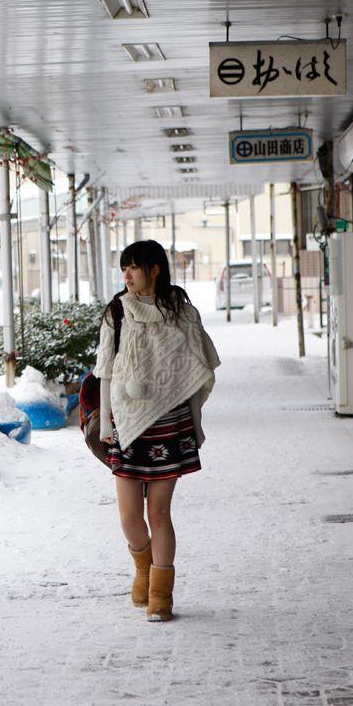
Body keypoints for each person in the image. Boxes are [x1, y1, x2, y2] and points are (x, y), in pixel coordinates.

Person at [84, 239, 220, 622]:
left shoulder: (182, 314)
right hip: (127, 425)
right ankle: (143, 568)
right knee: (129, 517)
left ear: (154, 269)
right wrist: (107, 421)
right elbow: (106, 371)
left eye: (134, 267)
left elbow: (196, 370)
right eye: (123, 268)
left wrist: (195, 423)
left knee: (159, 513)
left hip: (169, 425)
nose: (126, 274)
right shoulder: (117, 312)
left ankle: (162, 594)